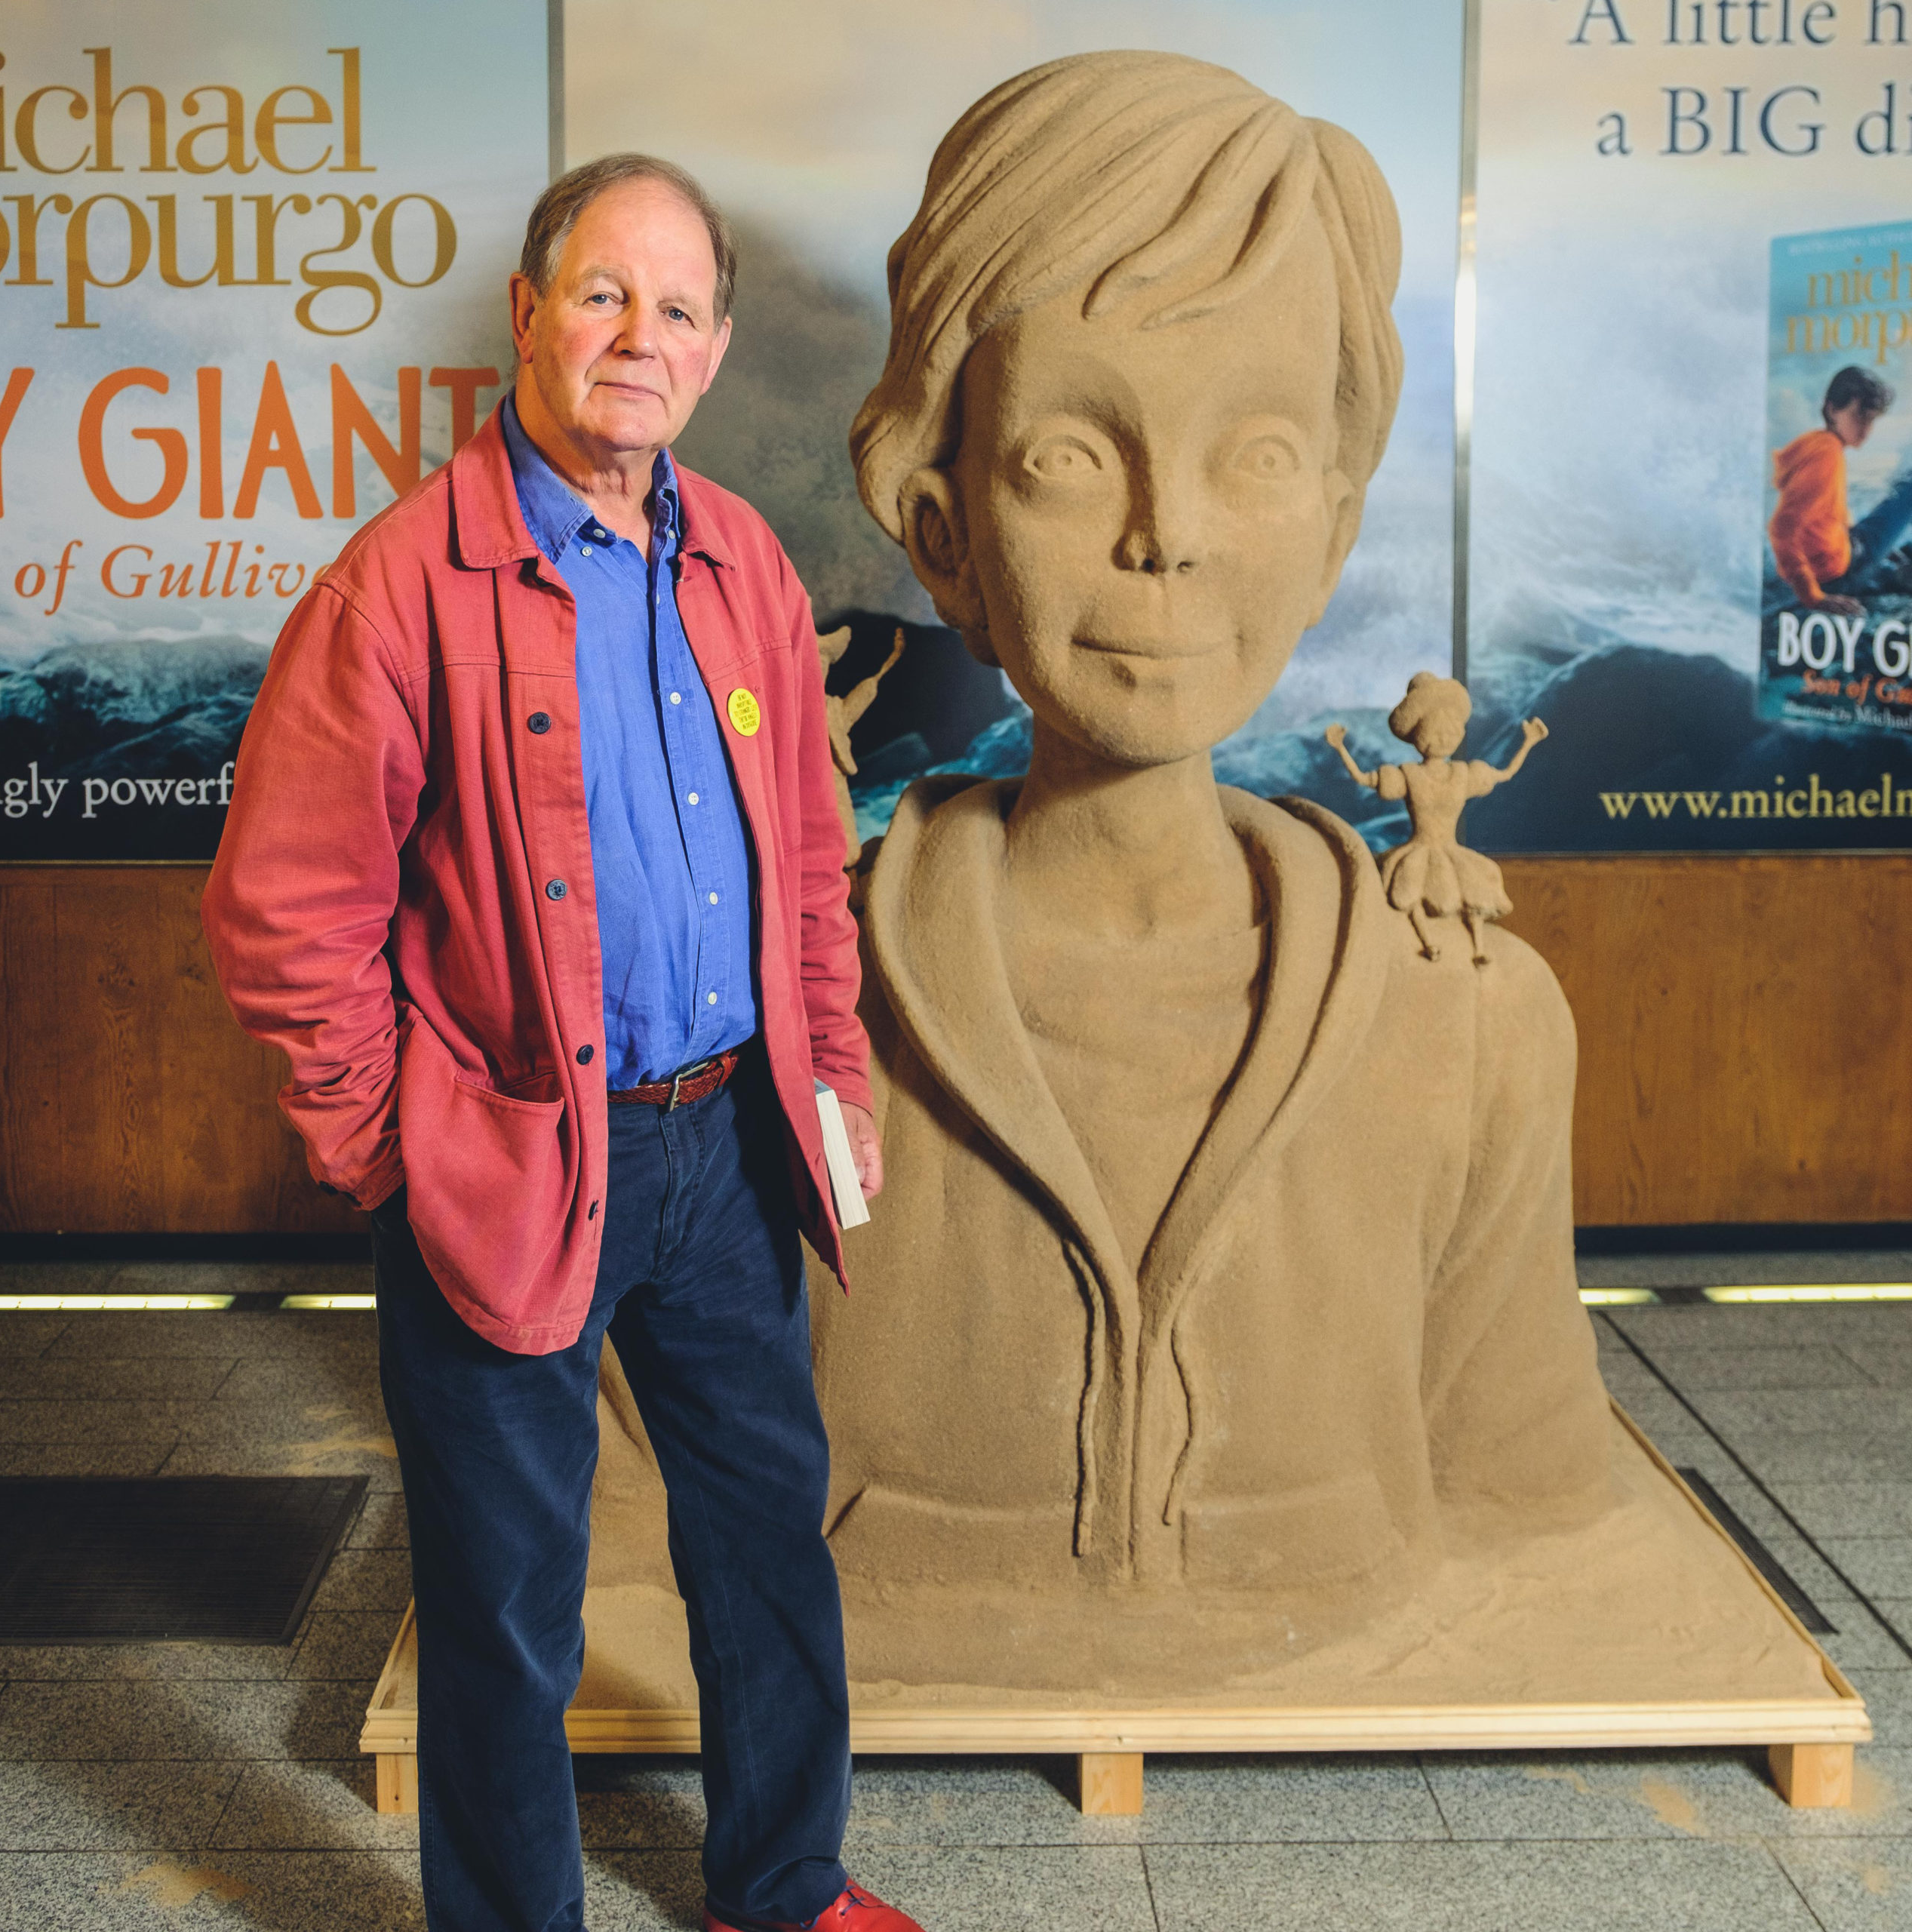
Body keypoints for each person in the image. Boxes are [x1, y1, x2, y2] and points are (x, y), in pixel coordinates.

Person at [589, 54, 1614, 1689]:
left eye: (1259, 454)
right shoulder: (764, 1013)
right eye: (1068, 454)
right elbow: (620, 1477)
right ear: (941, 535)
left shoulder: (1469, 1028)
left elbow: (1530, 1477)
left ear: (1337, 529)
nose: (1169, 535)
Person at [201, 153, 924, 1932]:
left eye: (676, 308)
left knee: (765, 1534)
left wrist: (824, 1073)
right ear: (528, 313)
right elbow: (287, 911)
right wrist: (392, 1140)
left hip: (724, 1150)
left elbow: (806, 867)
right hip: (509, 1152)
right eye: (603, 292)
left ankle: (783, 1882)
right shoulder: (398, 587)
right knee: (506, 1590)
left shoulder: (741, 561)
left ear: (715, 346)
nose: (637, 335)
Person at [1326, 675, 1547, 964]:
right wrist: (1341, 747)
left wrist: (1529, 742)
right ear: (1418, 735)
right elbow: (1366, 779)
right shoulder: (1409, 775)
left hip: (1450, 849)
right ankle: (1428, 943)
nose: (1442, 740)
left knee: (1474, 891)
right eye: (1434, 733)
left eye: (1449, 734)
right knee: (1409, 890)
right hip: (1418, 849)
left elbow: (1504, 774)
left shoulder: (1463, 774)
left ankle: (1478, 948)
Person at [1769, 363, 1912, 614]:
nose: (1866, 429)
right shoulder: (1827, 454)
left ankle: (1892, 567)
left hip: (1842, 550)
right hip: (1842, 572)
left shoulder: (1813, 443)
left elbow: (1820, 513)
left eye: (1871, 420)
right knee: (1908, 491)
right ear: (1832, 409)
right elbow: (1782, 528)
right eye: (1860, 416)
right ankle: (1894, 571)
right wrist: (1813, 597)